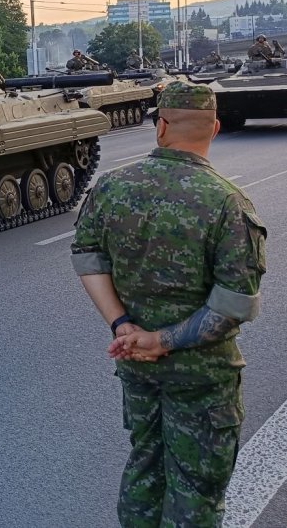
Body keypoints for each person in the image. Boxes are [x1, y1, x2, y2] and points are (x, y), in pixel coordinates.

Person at [71, 81, 266, 527]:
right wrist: (162, 340)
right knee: (195, 489)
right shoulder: (226, 202)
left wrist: (122, 325)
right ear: (214, 128)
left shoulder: (111, 187)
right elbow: (234, 305)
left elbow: (86, 257)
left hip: (137, 367)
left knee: (145, 469)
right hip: (202, 378)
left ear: (160, 126)